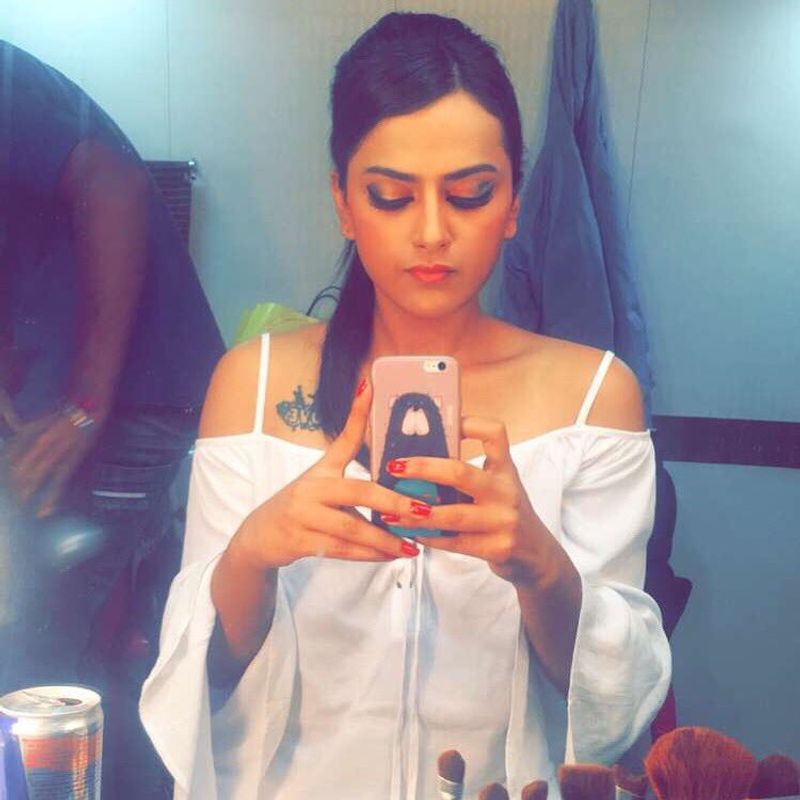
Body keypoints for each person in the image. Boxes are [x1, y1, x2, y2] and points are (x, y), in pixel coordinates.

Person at [140, 12, 671, 799]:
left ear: (513, 201)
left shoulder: (595, 395)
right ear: (343, 201)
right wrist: (252, 551)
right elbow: (202, 678)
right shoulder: (251, 385)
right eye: (390, 196)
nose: (430, 232)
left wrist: (539, 564)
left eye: (470, 194)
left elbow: (612, 706)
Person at [0, 40, 224, 795]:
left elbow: (114, 185)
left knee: (34, 667)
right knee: (57, 650)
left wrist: (86, 405)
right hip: (81, 397)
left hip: (127, 398)